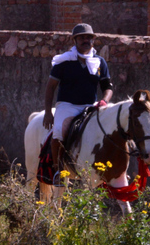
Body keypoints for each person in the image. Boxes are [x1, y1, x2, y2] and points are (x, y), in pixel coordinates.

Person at [43, 23, 113, 177]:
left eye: (89, 37)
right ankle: (58, 171)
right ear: (75, 40)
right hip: (67, 105)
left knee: (110, 130)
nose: (86, 40)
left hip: (90, 106)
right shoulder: (64, 61)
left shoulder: (100, 62)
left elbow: (107, 87)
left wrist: (104, 101)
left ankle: (111, 171)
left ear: (93, 40)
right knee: (58, 134)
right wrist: (48, 112)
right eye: (82, 37)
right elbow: (50, 88)